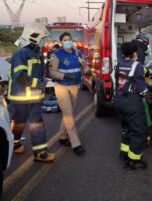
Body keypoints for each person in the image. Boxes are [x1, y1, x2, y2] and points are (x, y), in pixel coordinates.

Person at [8, 23, 55, 162]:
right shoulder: (21, 53)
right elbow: (20, 75)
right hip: (20, 97)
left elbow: (38, 72)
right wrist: (37, 85)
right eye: (42, 37)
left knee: (37, 124)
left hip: (34, 98)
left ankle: (40, 152)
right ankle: (15, 143)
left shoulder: (36, 53)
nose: (43, 40)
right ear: (33, 37)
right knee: (19, 123)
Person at [49, 32, 92, 156]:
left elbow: (84, 65)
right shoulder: (55, 55)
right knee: (68, 114)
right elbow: (52, 72)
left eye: (69, 39)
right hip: (61, 86)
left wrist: (88, 71)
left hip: (74, 86)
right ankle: (75, 143)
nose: (68, 41)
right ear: (61, 42)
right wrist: (65, 76)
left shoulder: (77, 52)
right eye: (65, 40)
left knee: (69, 112)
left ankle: (62, 136)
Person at [114, 42, 148, 170]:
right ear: (134, 53)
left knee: (125, 127)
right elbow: (141, 86)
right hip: (132, 102)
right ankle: (134, 161)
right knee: (138, 131)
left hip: (119, 100)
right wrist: (146, 92)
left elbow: (119, 80)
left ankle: (124, 153)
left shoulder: (119, 64)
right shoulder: (137, 65)